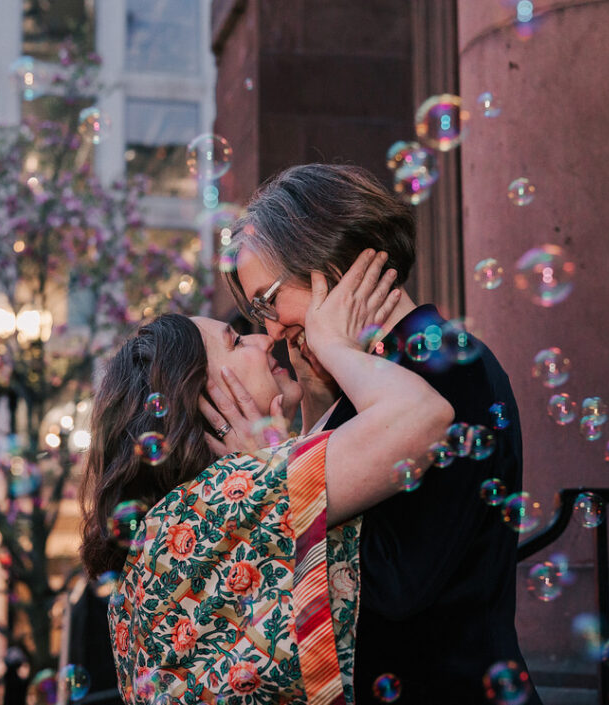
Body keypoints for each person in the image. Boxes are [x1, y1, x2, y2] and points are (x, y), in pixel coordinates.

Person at [222, 163, 542, 705]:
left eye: (268, 300)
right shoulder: (372, 378)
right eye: (257, 312)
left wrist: (265, 490)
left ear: (327, 260)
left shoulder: (445, 365)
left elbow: (397, 585)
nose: (271, 330)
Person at [79, 250, 453, 703]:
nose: (263, 339)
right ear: (199, 397)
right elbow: (423, 416)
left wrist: (308, 405)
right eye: (236, 342)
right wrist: (332, 344)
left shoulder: (181, 518)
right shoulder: (230, 493)